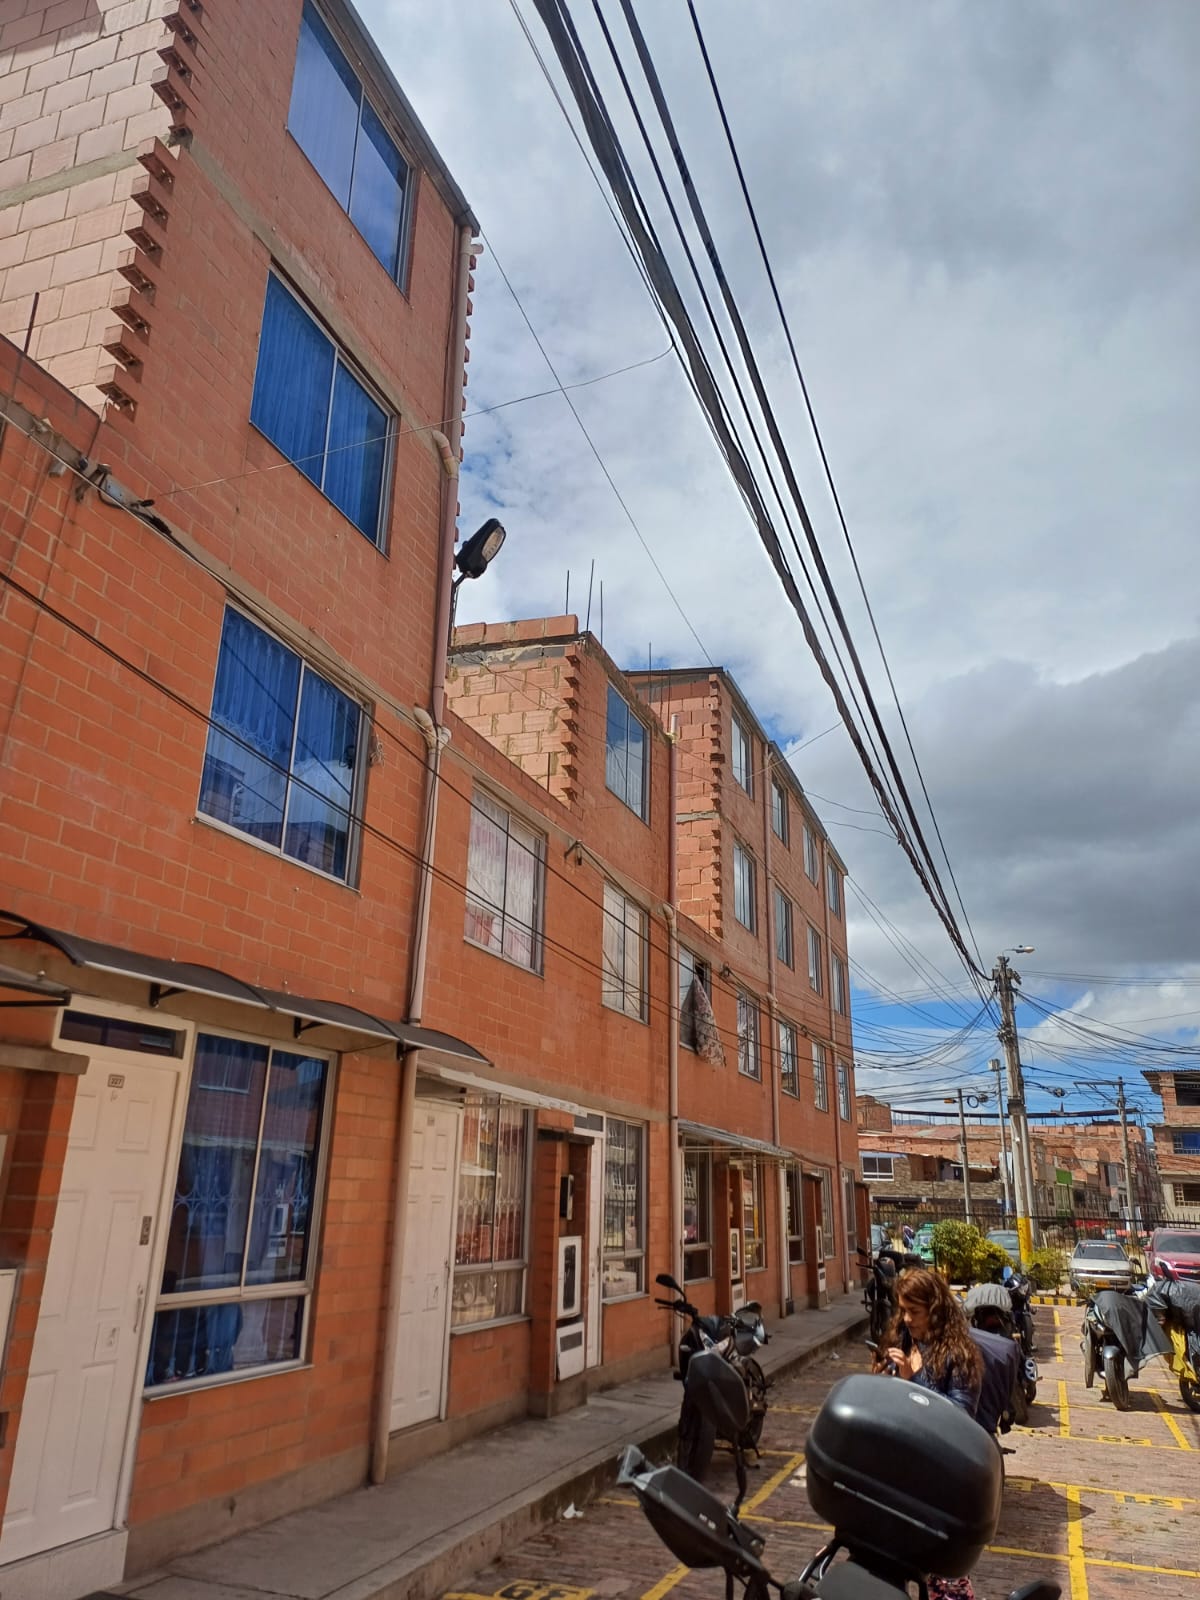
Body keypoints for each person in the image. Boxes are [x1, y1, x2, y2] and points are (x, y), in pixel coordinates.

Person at [874, 1268, 985, 1600]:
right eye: (902, 1310)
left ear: (935, 1310)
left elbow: (961, 1417)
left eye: (915, 1311)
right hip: (897, 1473)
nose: (907, 1319)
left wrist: (914, 1380)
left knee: (943, 1580)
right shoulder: (901, 1340)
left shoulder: (959, 1355)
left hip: (938, 1482)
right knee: (881, 1570)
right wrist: (879, 1378)